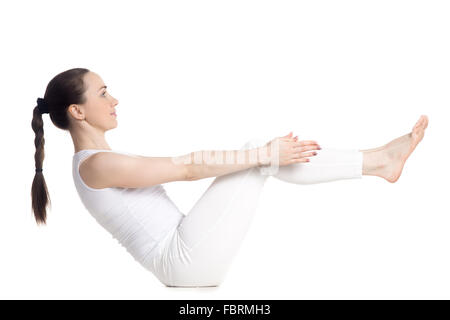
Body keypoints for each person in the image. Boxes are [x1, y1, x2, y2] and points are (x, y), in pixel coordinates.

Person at [31, 68, 429, 287]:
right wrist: (263, 154)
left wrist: (262, 156)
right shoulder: (94, 165)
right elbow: (187, 167)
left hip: (183, 252)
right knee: (258, 152)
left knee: (259, 155)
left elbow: (190, 164)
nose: (114, 100)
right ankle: (378, 162)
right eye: (102, 93)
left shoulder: (101, 158)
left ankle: (378, 162)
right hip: (181, 262)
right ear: (77, 112)